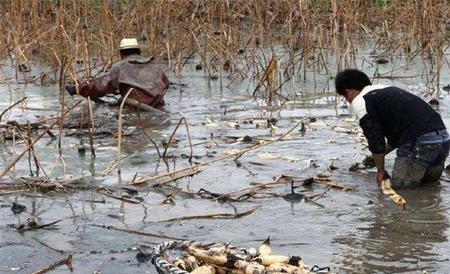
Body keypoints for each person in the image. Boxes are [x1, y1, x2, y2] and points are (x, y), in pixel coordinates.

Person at [335, 68, 449, 189]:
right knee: (428, 190)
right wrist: (376, 157)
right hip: (443, 141)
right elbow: (399, 135)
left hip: (419, 144)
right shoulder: (388, 90)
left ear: (348, 92)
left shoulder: (361, 101)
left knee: (402, 190)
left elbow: (375, 140)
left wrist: (380, 170)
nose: (348, 101)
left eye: (345, 97)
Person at [68, 38, 169, 110]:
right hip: (159, 108)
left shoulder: (120, 67)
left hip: (134, 111)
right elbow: (166, 84)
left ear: (121, 53)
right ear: (139, 51)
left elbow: (100, 87)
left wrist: (78, 89)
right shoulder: (155, 66)